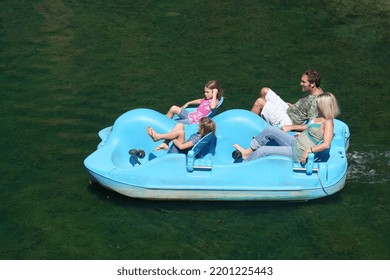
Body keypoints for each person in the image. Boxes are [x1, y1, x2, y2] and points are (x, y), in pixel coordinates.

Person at [234, 92, 340, 164]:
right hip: (296, 142)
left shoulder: (328, 122)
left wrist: (309, 150)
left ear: (324, 105)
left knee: (264, 150)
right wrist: (303, 134)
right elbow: (312, 129)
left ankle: (245, 164)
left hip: (299, 152)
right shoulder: (319, 116)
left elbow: (326, 144)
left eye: (318, 103)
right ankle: (248, 151)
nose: (316, 105)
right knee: (270, 130)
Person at [251, 70, 323, 127]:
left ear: (313, 84)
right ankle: (260, 120)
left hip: (289, 120)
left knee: (259, 102)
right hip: (289, 110)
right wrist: (293, 106)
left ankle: (250, 126)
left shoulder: (315, 101)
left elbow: (311, 125)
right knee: (265, 91)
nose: (301, 84)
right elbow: (305, 108)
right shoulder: (316, 90)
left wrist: (291, 127)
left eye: (303, 82)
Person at [147, 117, 216, 154]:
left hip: (178, 153)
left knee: (180, 132)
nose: (197, 126)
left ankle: (158, 137)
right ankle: (165, 143)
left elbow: (181, 147)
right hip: (182, 149)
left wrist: (173, 138)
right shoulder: (201, 135)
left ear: (203, 129)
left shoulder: (196, 139)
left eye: (199, 126)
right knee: (180, 125)